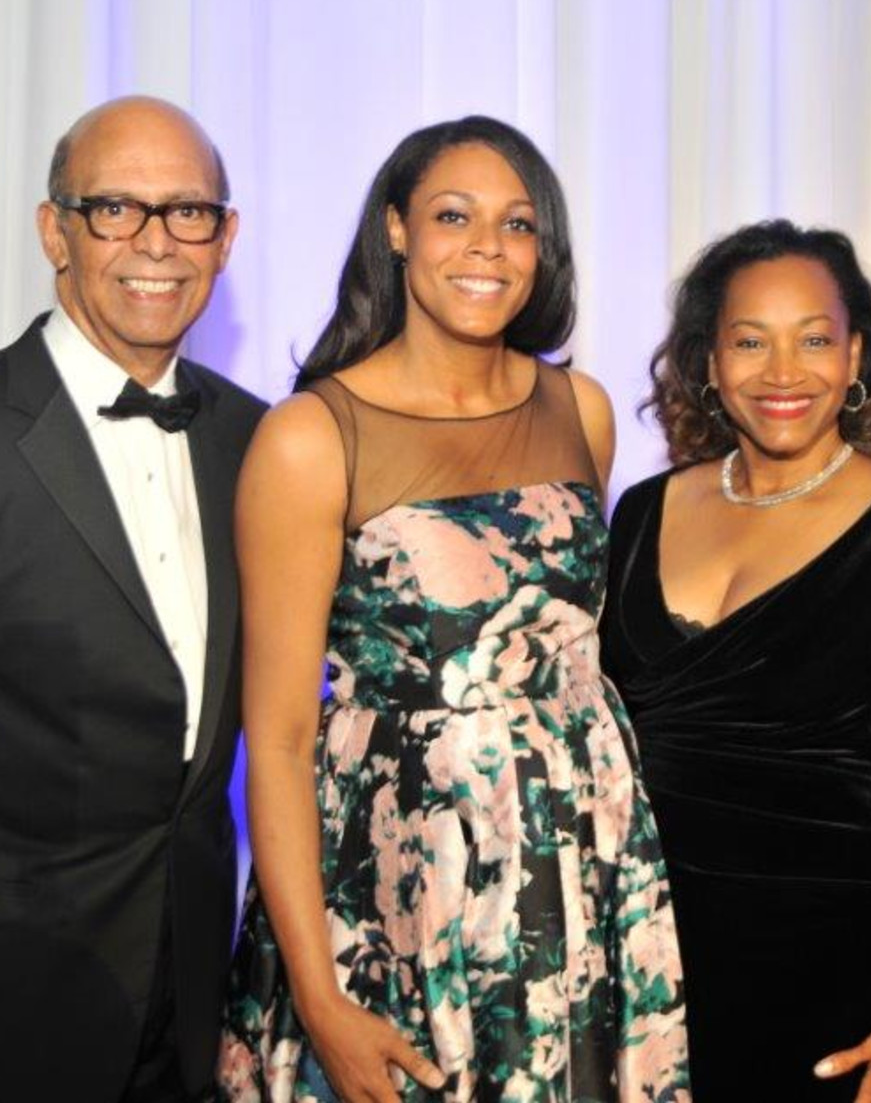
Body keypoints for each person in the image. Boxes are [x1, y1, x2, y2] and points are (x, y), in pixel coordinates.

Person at [216, 115, 689, 1103]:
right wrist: (320, 995)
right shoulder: (311, 437)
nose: (487, 247)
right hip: (398, 886)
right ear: (395, 230)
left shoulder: (582, 409)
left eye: (518, 225)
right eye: (452, 215)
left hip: (574, 867)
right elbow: (283, 731)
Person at [600, 219, 871, 1103]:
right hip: (636, 956)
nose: (783, 373)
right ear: (707, 359)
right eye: (750, 341)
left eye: (815, 339)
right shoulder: (641, 511)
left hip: (823, 975)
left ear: (857, 358)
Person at [0, 97, 266, 1101]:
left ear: (226, 236)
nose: (156, 243)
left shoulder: (260, 442)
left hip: (195, 994)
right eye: (115, 208)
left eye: (188, 211)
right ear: (53, 230)